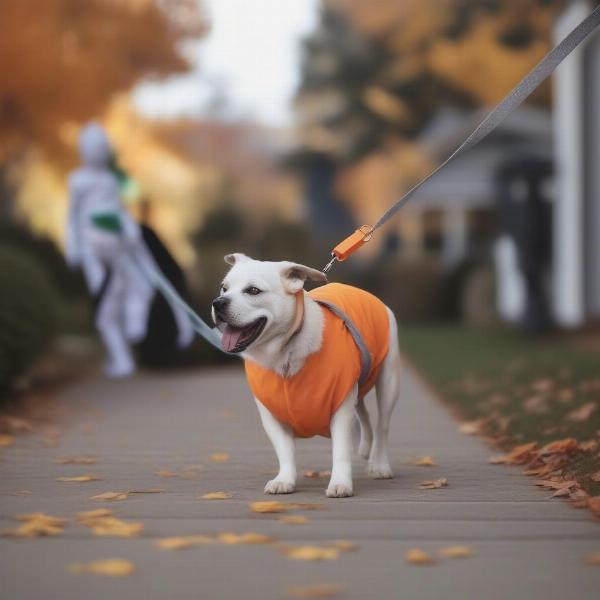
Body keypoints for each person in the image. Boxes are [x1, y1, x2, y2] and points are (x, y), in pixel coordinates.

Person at [65, 123, 193, 377]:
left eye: (101, 147)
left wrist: (130, 229)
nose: (98, 152)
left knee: (140, 287)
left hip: (119, 243)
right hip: (92, 245)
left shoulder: (114, 179)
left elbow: (123, 206)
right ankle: (122, 358)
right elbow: (73, 216)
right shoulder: (78, 180)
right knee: (106, 307)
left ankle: (134, 326)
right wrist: (74, 246)